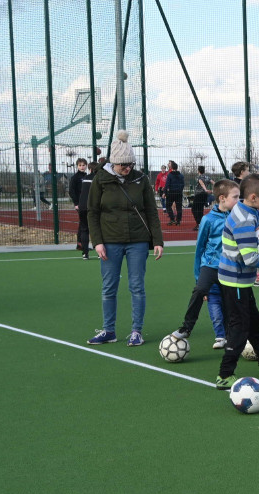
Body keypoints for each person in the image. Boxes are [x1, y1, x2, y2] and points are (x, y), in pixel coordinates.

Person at [86, 130, 164, 347]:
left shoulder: (140, 179)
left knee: (137, 286)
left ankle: (136, 331)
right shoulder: (100, 180)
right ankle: (108, 330)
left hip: (137, 241)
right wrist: (97, 242)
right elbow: (92, 212)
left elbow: (151, 211)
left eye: (130, 164)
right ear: (114, 162)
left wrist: (157, 241)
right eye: (123, 165)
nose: (127, 168)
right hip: (109, 241)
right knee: (109, 287)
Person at [215, 173, 259, 389]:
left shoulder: (248, 209)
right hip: (235, 281)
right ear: (254, 197)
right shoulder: (244, 221)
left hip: (240, 281)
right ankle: (225, 375)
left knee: (255, 323)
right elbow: (250, 258)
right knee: (239, 328)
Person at [170, 178, 238, 349]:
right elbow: (200, 248)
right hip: (210, 265)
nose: (239, 201)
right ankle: (187, 327)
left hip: (230, 267)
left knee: (230, 303)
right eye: (235, 197)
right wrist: (197, 275)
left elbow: (257, 222)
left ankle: (229, 336)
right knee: (200, 290)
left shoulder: (238, 217)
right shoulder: (208, 220)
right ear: (222, 198)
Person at [230, 161, 259, 288]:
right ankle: (257, 278)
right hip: (236, 280)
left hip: (241, 278)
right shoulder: (245, 218)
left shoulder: (251, 210)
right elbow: (250, 259)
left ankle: (256, 277)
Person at [75, 160, 97, 260]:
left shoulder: (85, 179)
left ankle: (85, 254)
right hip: (92, 207)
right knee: (96, 229)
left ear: (90, 169)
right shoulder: (97, 179)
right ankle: (99, 253)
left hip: (82, 207)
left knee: (84, 229)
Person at [69, 158, 89, 258]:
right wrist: (76, 203)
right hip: (80, 204)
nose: (82, 167)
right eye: (80, 165)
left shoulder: (87, 176)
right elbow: (71, 191)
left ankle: (81, 244)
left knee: (83, 224)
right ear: (77, 166)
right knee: (83, 224)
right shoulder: (75, 177)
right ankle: (81, 244)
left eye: (84, 165)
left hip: (87, 204)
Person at [163, 160, 184, 226]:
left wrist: (164, 193)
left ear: (172, 166)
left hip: (171, 193)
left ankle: (172, 219)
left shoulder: (170, 175)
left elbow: (167, 184)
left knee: (168, 206)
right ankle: (178, 221)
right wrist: (180, 190)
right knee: (179, 207)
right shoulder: (181, 175)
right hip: (179, 193)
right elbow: (183, 184)